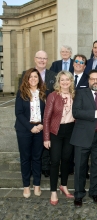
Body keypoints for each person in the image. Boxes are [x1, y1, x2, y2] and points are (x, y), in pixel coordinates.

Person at [70, 69, 97, 208]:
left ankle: (94, 192)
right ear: (88, 81)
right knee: (80, 167)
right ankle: (79, 194)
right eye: (92, 79)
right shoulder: (81, 93)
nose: (95, 81)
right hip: (82, 137)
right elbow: (76, 112)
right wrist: (94, 114)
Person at [20, 50, 57, 178]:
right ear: (35, 59)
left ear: (47, 60)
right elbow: (21, 98)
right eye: (39, 58)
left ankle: (45, 167)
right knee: (28, 150)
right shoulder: (25, 74)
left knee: (44, 145)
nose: (42, 60)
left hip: (44, 118)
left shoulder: (53, 75)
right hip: (27, 122)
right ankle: (29, 170)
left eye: (44, 58)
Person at [43, 71, 75, 205]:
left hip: (70, 131)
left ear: (71, 81)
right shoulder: (53, 96)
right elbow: (46, 118)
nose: (65, 82)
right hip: (56, 131)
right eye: (62, 80)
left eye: (67, 80)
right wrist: (46, 137)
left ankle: (64, 185)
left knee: (66, 159)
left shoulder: (75, 95)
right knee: (55, 161)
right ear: (58, 81)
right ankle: (53, 191)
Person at [15, 68, 46, 198]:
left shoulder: (44, 93)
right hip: (24, 130)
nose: (33, 79)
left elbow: (48, 112)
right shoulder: (21, 93)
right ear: (27, 79)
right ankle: (26, 186)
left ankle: (37, 185)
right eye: (31, 77)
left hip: (40, 129)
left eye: (36, 76)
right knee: (25, 159)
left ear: (39, 79)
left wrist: (42, 125)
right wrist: (30, 127)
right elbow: (19, 113)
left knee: (37, 158)